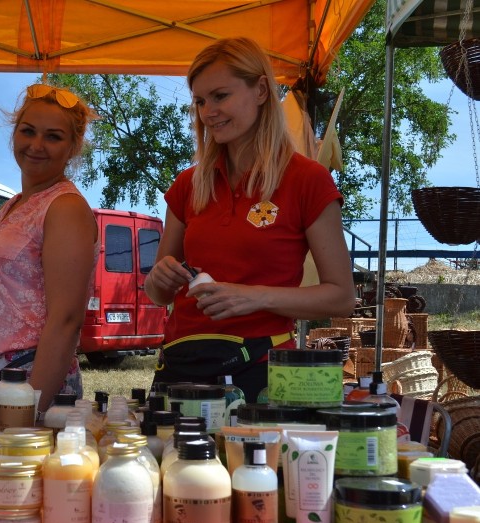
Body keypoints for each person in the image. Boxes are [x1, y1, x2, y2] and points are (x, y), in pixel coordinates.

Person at [145, 37, 356, 403]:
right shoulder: (187, 184)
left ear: (261, 90)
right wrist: (159, 277)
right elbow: (158, 294)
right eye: (199, 101)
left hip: (260, 369)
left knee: (254, 461)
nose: (208, 111)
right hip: (182, 364)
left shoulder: (306, 179)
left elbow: (341, 297)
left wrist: (253, 298)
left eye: (220, 96)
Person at [0, 83, 99, 412]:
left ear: (74, 147)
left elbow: (65, 320)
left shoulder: (65, 208)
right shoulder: (14, 206)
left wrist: (26, 413)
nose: (36, 145)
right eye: (28, 131)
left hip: (30, 384)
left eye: (53, 137)